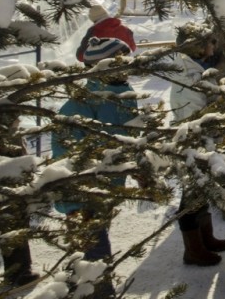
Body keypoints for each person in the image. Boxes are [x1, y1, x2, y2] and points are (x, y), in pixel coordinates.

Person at [53, 37, 138, 299]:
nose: (128, 64)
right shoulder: (80, 107)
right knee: (96, 252)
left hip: (107, 189)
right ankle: (98, 292)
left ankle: (82, 285)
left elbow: (130, 136)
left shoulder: (123, 92)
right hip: (81, 194)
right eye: (121, 59)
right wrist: (75, 200)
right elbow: (69, 156)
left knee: (93, 249)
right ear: (104, 66)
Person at [166, 25, 225, 266]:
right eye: (209, 42)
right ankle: (193, 249)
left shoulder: (195, 69)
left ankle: (206, 237)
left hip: (203, 139)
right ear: (197, 45)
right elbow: (198, 112)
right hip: (194, 140)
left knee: (201, 190)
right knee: (191, 195)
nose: (213, 46)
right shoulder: (188, 74)